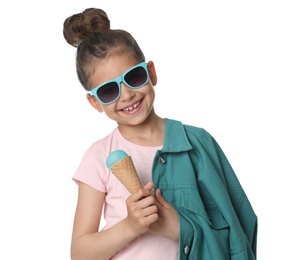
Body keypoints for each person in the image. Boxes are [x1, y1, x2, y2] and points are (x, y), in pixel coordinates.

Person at [63, 7, 258, 260]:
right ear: (95, 102)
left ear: (151, 72)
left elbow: (238, 227)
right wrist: (130, 226)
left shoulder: (197, 143)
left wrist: (182, 229)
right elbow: (80, 253)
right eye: (109, 91)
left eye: (134, 76)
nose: (127, 95)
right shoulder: (99, 156)